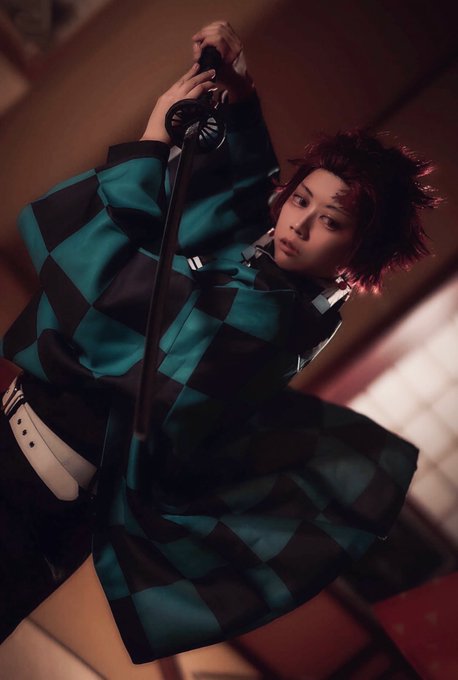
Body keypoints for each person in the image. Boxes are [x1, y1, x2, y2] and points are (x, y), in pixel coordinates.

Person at [0, 21, 440, 663]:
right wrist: (238, 91)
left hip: (42, 490)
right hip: (28, 455)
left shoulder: (272, 318)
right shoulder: (280, 275)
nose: (298, 224)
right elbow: (241, 190)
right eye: (300, 199)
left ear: (359, 253)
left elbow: (107, 294)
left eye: (331, 221)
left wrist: (153, 143)